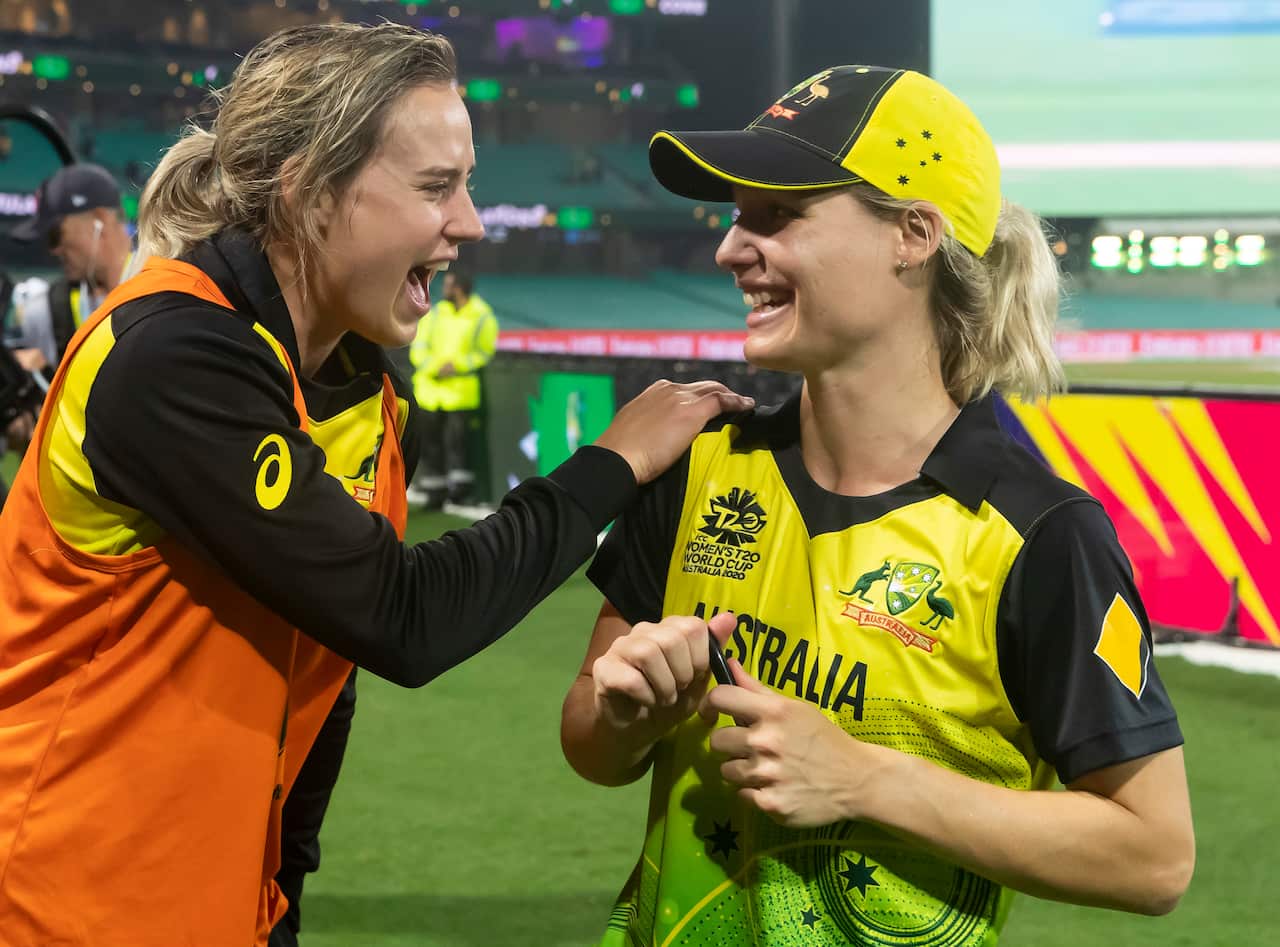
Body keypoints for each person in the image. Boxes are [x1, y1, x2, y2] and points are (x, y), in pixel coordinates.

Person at [0, 23, 752, 947]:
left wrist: (281, 892)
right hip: (63, 901)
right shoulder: (172, 353)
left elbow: (326, 680)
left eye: (467, 183)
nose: (470, 221)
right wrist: (614, 462)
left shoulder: (362, 388)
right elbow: (402, 614)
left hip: (229, 905)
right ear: (310, 192)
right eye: (437, 186)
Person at [561, 65, 1194, 946]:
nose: (731, 248)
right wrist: (632, 713)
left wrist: (862, 779)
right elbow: (591, 742)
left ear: (913, 234)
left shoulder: (1039, 536)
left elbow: (1155, 857)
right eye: (738, 215)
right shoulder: (700, 467)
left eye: (776, 215)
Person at [2, 163, 133, 464]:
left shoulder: (161, 291)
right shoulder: (45, 311)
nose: (54, 250)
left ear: (99, 219)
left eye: (55, 235)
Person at [408, 268, 497, 508]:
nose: (443, 289)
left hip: (461, 394)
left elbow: (484, 352)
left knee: (460, 447)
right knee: (430, 445)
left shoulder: (483, 316)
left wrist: (456, 366)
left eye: (448, 285)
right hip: (430, 392)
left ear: (459, 288)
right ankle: (434, 491)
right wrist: (435, 367)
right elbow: (418, 346)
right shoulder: (435, 313)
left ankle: (461, 494)